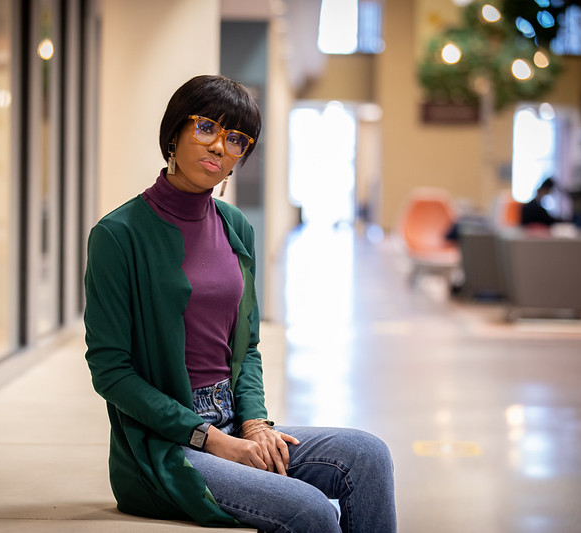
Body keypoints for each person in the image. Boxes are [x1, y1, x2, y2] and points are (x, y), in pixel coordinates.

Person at [83, 74, 397, 533]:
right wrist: (209, 439)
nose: (218, 147)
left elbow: (246, 347)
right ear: (174, 133)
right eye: (206, 127)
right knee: (310, 509)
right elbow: (111, 370)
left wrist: (253, 425)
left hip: (232, 420)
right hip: (167, 446)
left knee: (368, 455)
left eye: (235, 139)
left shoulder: (235, 228)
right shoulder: (119, 235)